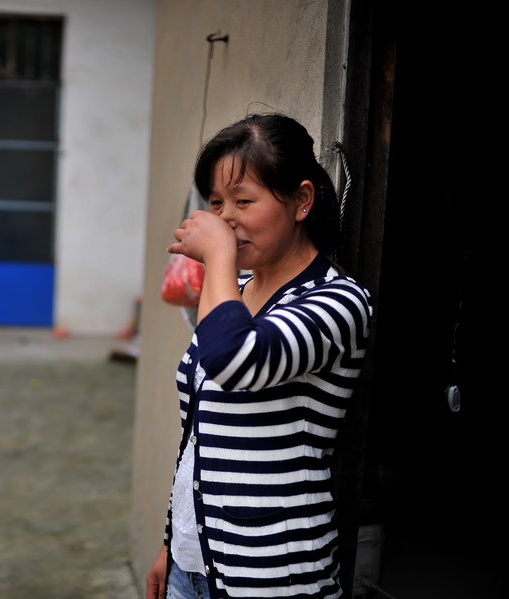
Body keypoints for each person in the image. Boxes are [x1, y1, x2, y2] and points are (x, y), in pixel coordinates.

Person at [147, 113, 373, 599]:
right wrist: (173, 541)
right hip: (193, 560)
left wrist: (217, 255)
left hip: (272, 576)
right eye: (215, 203)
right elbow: (198, 432)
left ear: (302, 201)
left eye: (243, 201)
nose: (225, 217)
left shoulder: (338, 301)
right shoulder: (236, 291)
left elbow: (238, 360)